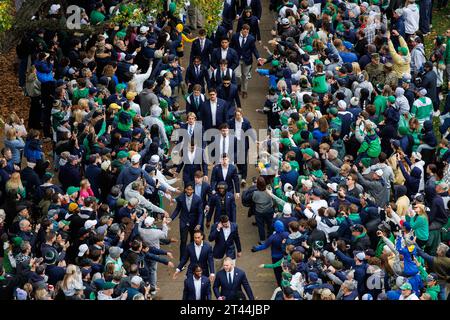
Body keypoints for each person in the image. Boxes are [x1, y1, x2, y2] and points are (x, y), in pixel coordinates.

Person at [170, 183, 204, 259]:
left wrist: (199, 224)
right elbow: (177, 209)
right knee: (183, 241)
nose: (189, 191)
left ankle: (193, 256)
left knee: (193, 240)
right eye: (187, 189)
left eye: (190, 189)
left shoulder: (198, 199)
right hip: (183, 221)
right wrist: (171, 218)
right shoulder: (181, 198)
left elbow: (200, 213)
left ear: (193, 190)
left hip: (194, 222)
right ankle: (182, 259)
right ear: (185, 189)